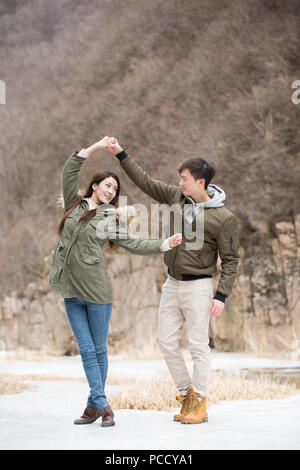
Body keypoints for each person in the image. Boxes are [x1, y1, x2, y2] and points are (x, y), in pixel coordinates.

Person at [48, 136, 182, 428]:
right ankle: (101, 404)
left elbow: (133, 243)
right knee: (85, 349)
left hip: (97, 292)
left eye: (115, 189)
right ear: (94, 186)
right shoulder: (73, 203)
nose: (111, 191)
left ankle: (95, 405)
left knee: (98, 349)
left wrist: (163, 244)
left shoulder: (109, 218)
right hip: (70, 289)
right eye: (107, 185)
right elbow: (68, 172)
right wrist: (96, 147)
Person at [105, 136, 240, 424]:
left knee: (198, 345)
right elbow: (145, 181)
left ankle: (200, 404)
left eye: (185, 179)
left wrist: (221, 295)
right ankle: (187, 395)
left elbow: (230, 260)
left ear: (201, 182)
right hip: (171, 283)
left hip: (200, 286)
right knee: (166, 342)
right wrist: (121, 154)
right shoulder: (175, 198)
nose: (180, 183)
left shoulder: (224, 218)